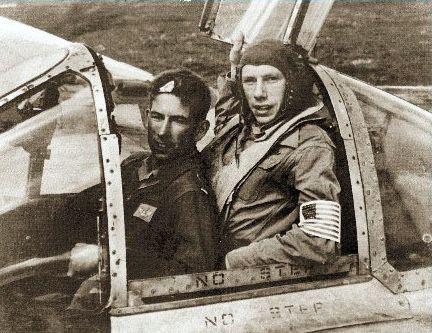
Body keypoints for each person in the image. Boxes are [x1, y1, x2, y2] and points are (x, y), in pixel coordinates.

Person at [68, 69, 218, 309]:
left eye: (178, 120)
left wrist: (105, 258)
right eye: (157, 117)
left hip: (127, 305)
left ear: (200, 130)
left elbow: (192, 276)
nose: (162, 131)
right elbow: (78, 210)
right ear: (146, 116)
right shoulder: (136, 165)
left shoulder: (187, 192)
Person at [205, 36, 341, 269]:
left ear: (292, 84)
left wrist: (232, 261)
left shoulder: (310, 146)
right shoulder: (242, 126)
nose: (258, 93)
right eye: (249, 81)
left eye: (271, 79)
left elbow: (318, 241)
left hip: (243, 276)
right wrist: (235, 66)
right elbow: (227, 113)